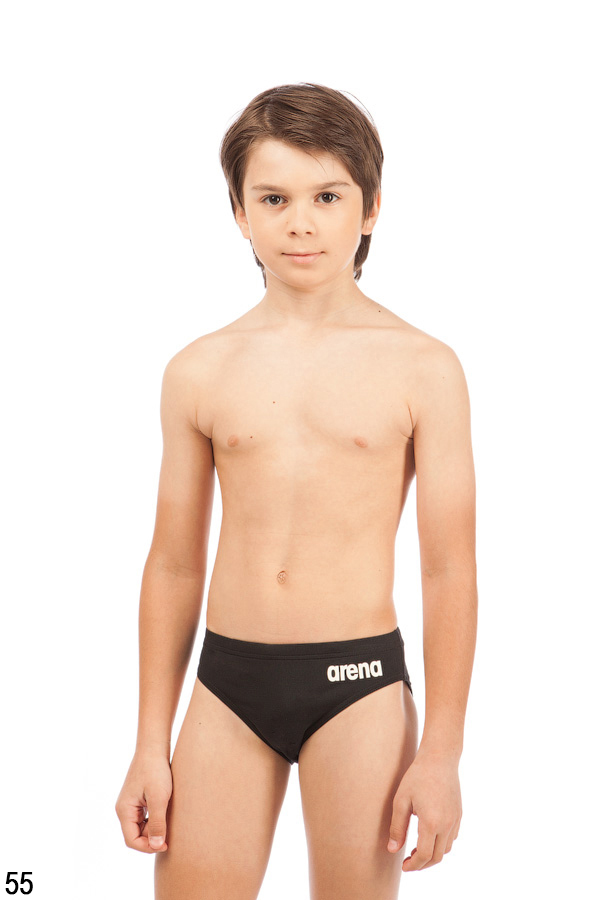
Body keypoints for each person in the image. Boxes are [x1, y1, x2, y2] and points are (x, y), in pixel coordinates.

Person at [115, 81, 478, 900]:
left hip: (359, 687)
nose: (300, 223)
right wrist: (148, 743)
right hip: (226, 684)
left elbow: (448, 568)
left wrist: (442, 754)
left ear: (371, 207)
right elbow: (173, 564)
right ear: (239, 214)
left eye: (327, 196)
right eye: (273, 198)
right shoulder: (198, 369)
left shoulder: (423, 368)